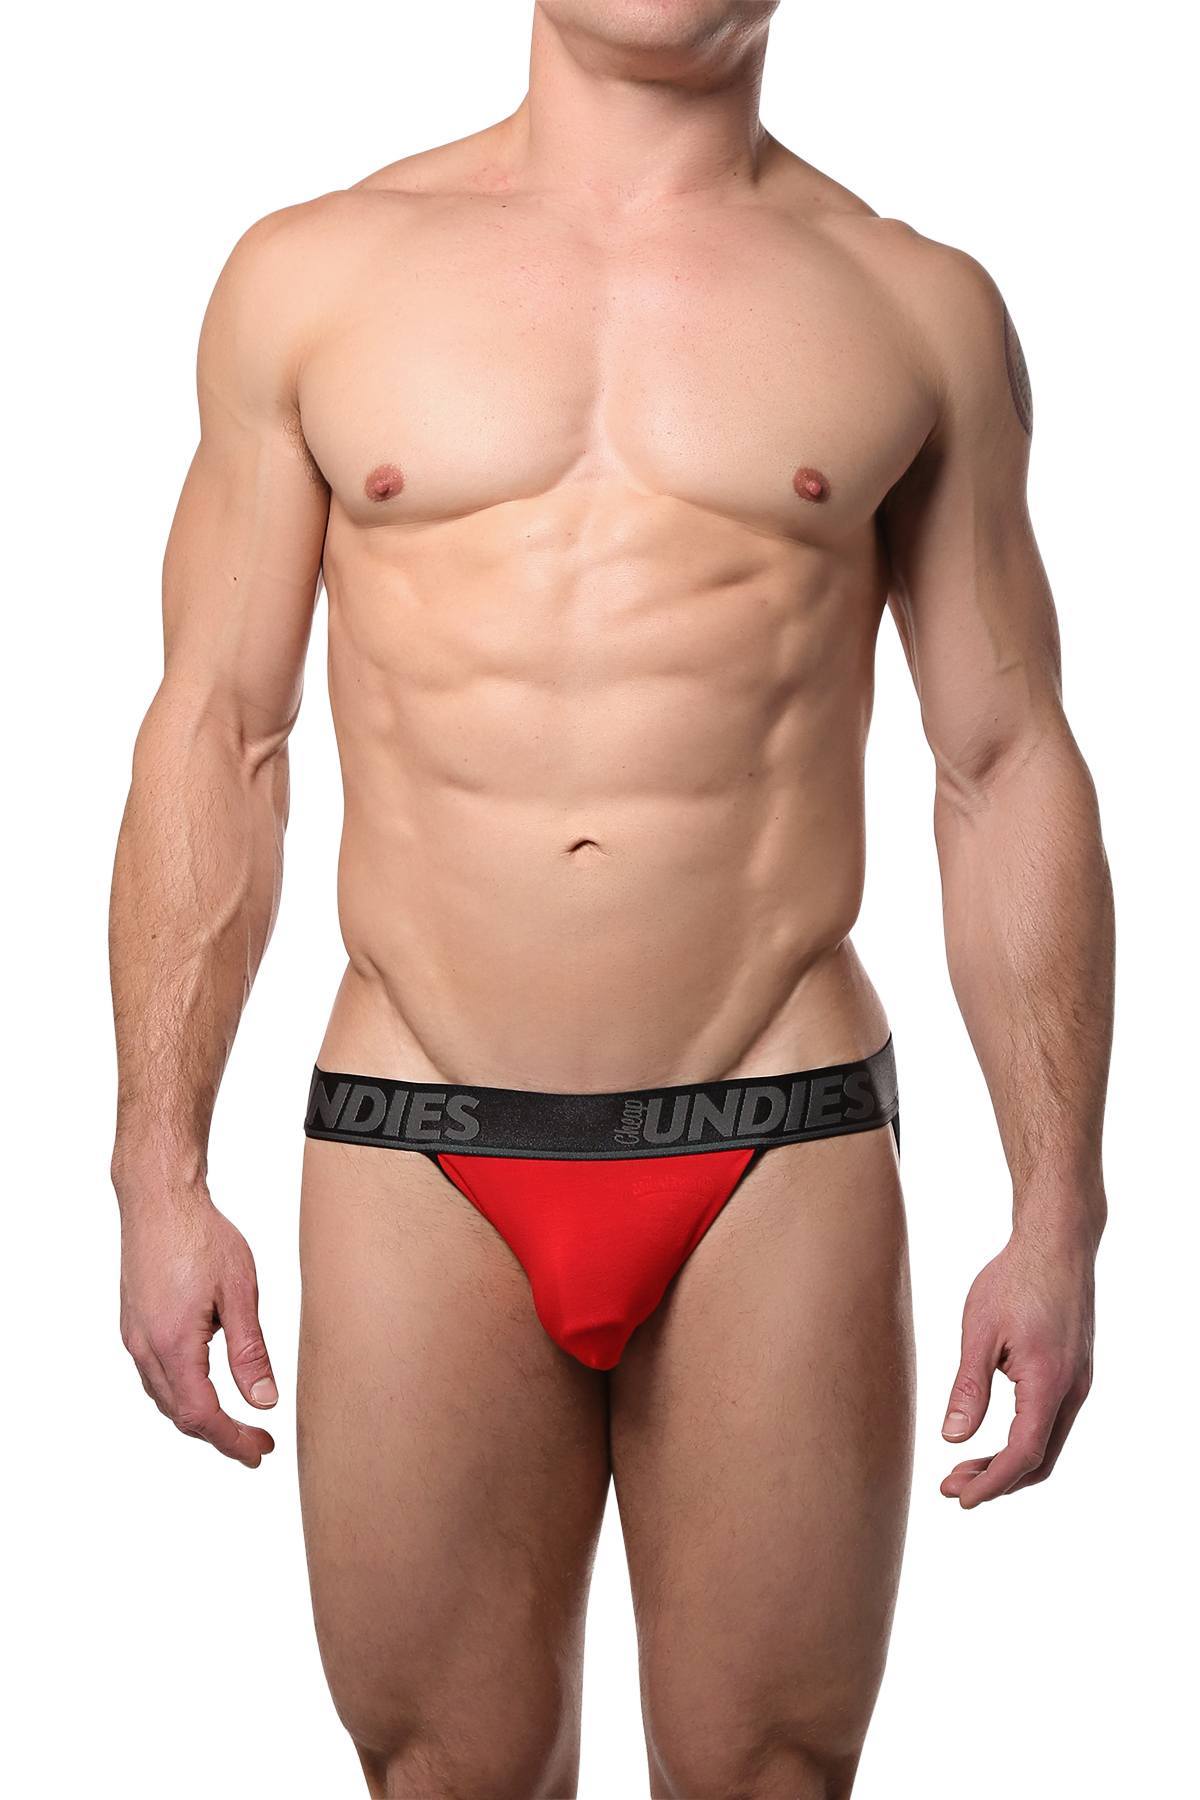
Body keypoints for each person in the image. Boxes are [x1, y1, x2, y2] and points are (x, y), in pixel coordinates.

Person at [108, 3, 1113, 1794]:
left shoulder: (913, 308)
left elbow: (1004, 761)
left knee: (771, 1776)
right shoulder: (314, 279)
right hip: (418, 1127)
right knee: (445, 1773)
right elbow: (219, 734)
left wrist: (1059, 1212)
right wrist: (155, 1168)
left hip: (776, 1134)